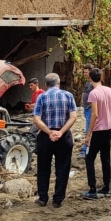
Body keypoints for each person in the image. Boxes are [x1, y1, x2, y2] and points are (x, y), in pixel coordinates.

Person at [32, 73, 77, 208]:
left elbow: (36, 119)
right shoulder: (68, 95)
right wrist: (61, 132)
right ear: (58, 83)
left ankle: (43, 198)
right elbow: (73, 117)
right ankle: (57, 200)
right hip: (63, 136)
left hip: (46, 137)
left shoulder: (41, 96)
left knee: (43, 168)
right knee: (63, 168)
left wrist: (49, 132)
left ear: (46, 85)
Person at [82, 68, 111, 200]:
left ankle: (92, 188)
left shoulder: (93, 93)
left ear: (90, 78)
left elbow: (94, 114)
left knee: (89, 159)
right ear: (101, 78)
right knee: (105, 158)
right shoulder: (109, 90)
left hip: (97, 130)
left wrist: (88, 134)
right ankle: (107, 186)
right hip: (108, 129)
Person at [78, 64, 95, 160]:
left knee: (89, 129)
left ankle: (85, 151)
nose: (84, 74)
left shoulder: (93, 83)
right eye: (83, 72)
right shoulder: (88, 82)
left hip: (91, 109)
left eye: (86, 72)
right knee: (88, 129)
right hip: (87, 108)